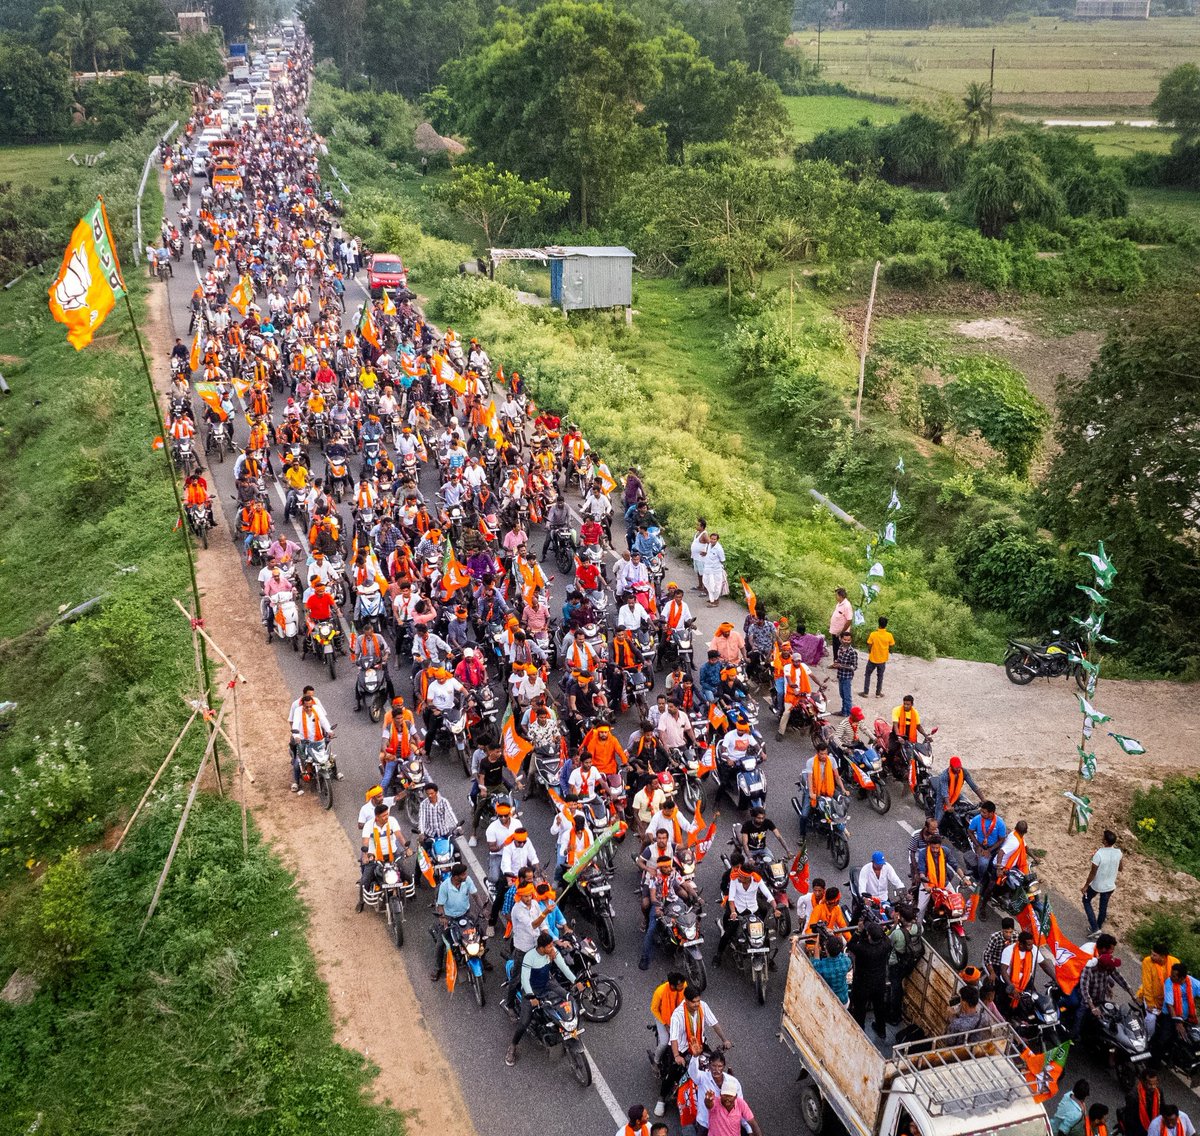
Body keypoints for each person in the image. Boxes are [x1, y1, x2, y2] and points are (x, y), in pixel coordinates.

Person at [505, 930, 582, 1066]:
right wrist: (531, 996)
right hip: (532, 989)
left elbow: (563, 967)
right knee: (524, 1022)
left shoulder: (551, 953)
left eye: (552, 945)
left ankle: (569, 1027)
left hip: (548, 983)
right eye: (549, 946)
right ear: (541, 948)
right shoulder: (530, 957)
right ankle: (512, 1047)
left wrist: (575, 981)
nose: (552, 948)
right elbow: (524, 979)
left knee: (569, 997)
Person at [431, 862, 481, 981]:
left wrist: (483, 909)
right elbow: (440, 905)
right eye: (463, 874)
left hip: (466, 915)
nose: (466, 875)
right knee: (441, 944)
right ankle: (437, 968)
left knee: (480, 934)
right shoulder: (445, 886)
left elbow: (475, 896)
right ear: (455, 876)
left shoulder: (467, 880)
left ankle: (483, 958)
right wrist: (442, 918)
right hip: (450, 918)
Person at [358, 801, 413, 904]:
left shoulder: (392, 821)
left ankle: (411, 894)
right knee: (365, 880)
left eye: (387, 814)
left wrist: (406, 848)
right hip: (374, 856)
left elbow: (399, 836)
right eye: (383, 816)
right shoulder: (368, 825)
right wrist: (365, 856)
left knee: (407, 873)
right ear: (376, 817)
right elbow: (365, 842)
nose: (386, 817)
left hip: (393, 853)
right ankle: (361, 902)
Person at [669, 985, 731, 1065]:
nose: (697, 1004)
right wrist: (677, 1056)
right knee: (673, 1076)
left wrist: (725, 1040)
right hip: (682, 1048)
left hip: (699, 1043)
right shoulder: (677, 1015)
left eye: (698, 1001)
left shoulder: (703, 1006)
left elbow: (714, 1023)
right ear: (686, 1000)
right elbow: (674, 1038)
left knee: (713, 1064)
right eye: (693, 1002)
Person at [849, 920, 891, 1036]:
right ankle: (881, 1030)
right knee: (879, 1007)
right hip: (879, 982)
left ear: (869, 936)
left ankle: (860, 1033)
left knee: (860, 1010)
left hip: (862, 984)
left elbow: (850, 945)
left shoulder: (863, 949)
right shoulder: (886, 945)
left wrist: (858, 931)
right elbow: (885, 937)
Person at [1154, 962, 1200, 1065]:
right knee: (1163, 1040)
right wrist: (1178, 1023)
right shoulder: (1169, 982)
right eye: (1171, 974)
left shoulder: (1192, 982)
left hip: (1187, 1017)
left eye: (1174, 975)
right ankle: (1154, 1065)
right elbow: (1170, 1005)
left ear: (1182, 978)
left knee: (1195, 1038)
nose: (1170, 976)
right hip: (1170, 1016)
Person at [798, 741, 846, 839]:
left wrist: (843, 789)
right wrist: (811, 793)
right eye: (821, 754)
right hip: (814, 789)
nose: (824, 756)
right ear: (817, 752)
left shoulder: (831, 760)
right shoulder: (810, 762)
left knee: (839, 804)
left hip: (828, 788)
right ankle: (802, 836)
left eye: (825, 753)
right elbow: (810, 779)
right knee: (804, 815)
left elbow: (837, 776)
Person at [888, 903, 925, 1022]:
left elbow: (888, 942)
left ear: (902, 918)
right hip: (911, 962)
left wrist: (894, 925)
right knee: (898, 984)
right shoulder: (919, 927)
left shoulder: (898, 934)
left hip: (897, 964)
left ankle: (894, 1016)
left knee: (895, 987)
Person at [1082, 828, 1122, 935]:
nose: (1102, 838)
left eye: (1103, 837)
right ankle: (1098, 927)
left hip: (1097, 885)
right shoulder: (1118, 852)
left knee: (1086, 900)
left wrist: (1086, 885)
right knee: (1103, 908)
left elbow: (1092, 873)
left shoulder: (1099, 854)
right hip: (1110, 886)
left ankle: (1095, 928)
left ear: (1105, 841)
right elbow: (1121, 868)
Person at [1137, 942, 1179, 1037]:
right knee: (1151, 1018)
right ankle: (1148, 1039)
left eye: (1154, 955)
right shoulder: (1147, 961)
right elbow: (1147, 984)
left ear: (1163, 957)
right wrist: (1150, 1003)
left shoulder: (1175, 962)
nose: (1151, 956)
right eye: (1151, 953)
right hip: (1151, 997)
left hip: (1167, 998)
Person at [931, 755, 984, 823]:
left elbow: (973, 786)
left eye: (959, 767)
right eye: (956, 768)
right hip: (943, 796)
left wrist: (983, 799)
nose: (958, 769)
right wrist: (948, 805)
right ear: (951, 766)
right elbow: (944, 792)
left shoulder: (964, 772)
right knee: (938, 819)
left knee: (967, 804)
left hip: (956, 793)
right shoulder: (944, 775)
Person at [812, 932, 852, 1004]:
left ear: (826, 950)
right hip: (844, 1000)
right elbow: (841, 953)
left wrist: (817, 941)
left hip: (829, 1001)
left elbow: (815, 960)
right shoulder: (846, 961)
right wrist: (833, 938)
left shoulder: (821, 966)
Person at [862, 615, 894, 698]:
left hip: (873, 658)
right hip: (882, 659)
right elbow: (891, 645)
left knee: (868, 674)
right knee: (880, 677)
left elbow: (869, 644)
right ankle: (878, 693)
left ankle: (866, 692)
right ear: (886, 625)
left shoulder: (873, 634)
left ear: (878, 624)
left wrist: (870, 651)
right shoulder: (889, 635)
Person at [1122, 1070, 1162, 1136]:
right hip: (1138, 1127)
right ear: (1142, 1082)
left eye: (1155, 1084)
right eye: (1150, 1084)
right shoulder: (1133, 1096)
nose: (1153, 1087)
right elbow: (1130, 1119)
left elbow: (1162, 1108)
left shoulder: (1158, 1091)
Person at [831, 630, 858, 717]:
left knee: (847, 697)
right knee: (842, 695)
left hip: (847, 677)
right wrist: (836, 663)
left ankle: (850, 717)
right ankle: (844, 712)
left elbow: (854, 667)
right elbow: (839, 660)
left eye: (848, 640)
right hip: (840, 675)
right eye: (845, 639)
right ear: (841, 639)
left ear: (851, 640)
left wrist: (841, 666)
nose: (846, 641)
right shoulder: (840, 649)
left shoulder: (852, 652)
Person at [701, 532, 726, 606]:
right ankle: (712, 598)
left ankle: (716, 601)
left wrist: (717, 565)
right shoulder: (709, 545)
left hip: (716, 570)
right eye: (711, 539)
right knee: (706, 582)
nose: (712, 540)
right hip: (708, 568)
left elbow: (722, 560)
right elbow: (708, 554)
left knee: (716, 586)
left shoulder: (719, 549)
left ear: (717, 540)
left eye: (714, 539)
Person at [828, 587, 853, 657]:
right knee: (835, 648)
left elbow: (849, 620)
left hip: (841, 633)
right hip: (835, 631)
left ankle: (841, 664)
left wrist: (842, 632)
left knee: (841, 649)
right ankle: (835, 662)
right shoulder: (839, 603)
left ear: (840, 596)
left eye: (836, 595)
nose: (835, 597)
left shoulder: (847, 605)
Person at [690, 519, 708, 594]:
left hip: (701, 558)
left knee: (703, 573)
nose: (696, 526)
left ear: (702, 526)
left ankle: (705, 589)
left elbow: (710, 543)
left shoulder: (704, 534)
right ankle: (700, 586)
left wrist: (706, 552)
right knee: (698, 572)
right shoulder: (698, 532)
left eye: (698, 525)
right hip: (696, 557)